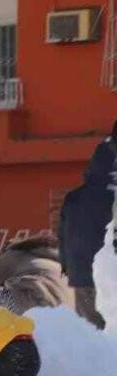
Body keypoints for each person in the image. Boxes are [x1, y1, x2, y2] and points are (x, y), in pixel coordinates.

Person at [59, 124, 116, 329]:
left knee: (91, 333)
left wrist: (66, 266)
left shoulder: (73, 198)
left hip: (82, 276)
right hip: (111, 276)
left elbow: (63, 236)